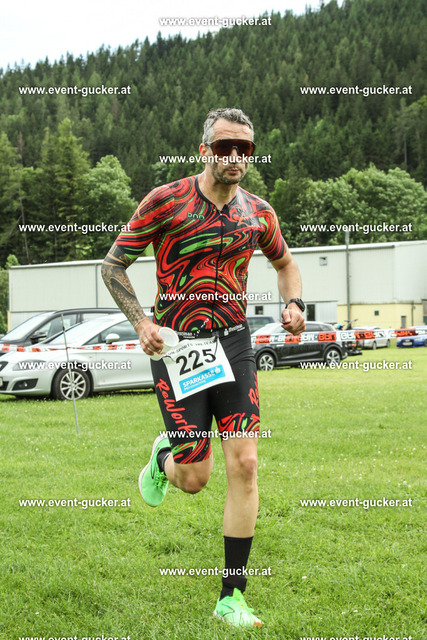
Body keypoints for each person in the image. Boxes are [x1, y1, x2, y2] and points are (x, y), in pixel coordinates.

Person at [101, 107, 305, 628]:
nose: (235, 156)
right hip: (177, 348)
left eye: (244, 148)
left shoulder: (259, 213)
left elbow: (285, 263)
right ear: (204, 150)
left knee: (245, 464)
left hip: (234, 343)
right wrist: (141, 322)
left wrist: (295, 303)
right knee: (194, 478)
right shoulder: (166, 200)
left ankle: (231, 596)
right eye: (224, 146)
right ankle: (163, 458)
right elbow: (113, 264)